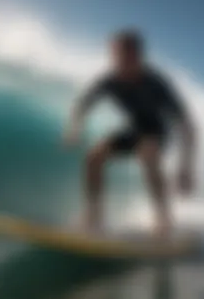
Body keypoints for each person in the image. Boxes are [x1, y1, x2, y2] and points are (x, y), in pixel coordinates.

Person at [63, 29, 196, 237]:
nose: (119, 62)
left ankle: (163, 219)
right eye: (115, 56)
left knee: (147, 153)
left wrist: (186, 168)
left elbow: (186, 125)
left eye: (126, 56)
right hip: (134, 129)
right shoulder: (110, 81)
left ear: (138, 56)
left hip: (156, 130)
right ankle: (94, 216)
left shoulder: (156, 83)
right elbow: (83, 104)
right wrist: (74, 128)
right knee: (93, 157)